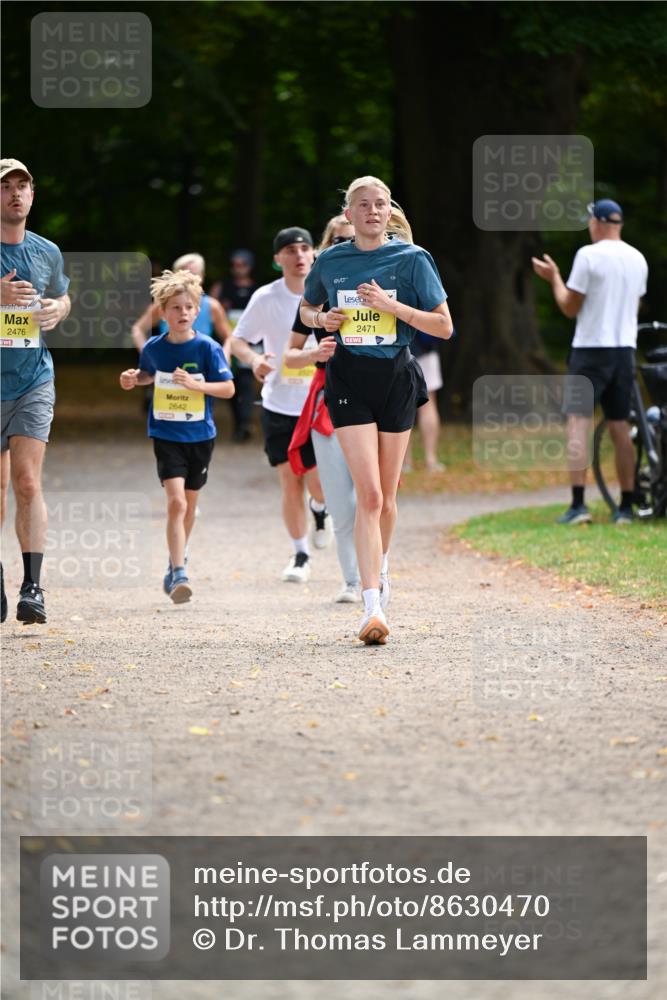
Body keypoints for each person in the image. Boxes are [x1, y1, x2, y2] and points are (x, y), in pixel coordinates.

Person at [301, 176, 453, 644]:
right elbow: (306, 309)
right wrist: (321, 319)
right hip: (348, 379)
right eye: (362, 204)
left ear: (390, 212)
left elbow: (444, 326)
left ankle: (381, 567)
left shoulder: (412, 259)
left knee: (387, 497)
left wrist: (392, 305)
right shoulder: (331, 260)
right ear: (348, 214)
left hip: (396, 379)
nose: (372, 211)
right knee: (367, 495)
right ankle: (372, 608)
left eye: (380, 204)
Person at [119, 269, 234, 602]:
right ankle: (180, 568)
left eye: (188, 307)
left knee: (189, 505)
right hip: (166, 433)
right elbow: (146, 374)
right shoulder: (155, 347)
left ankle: (175, 561)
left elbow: (228, 388)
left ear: (197, 311)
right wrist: (132, 378)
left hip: (200, 436)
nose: (182, 313)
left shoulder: (208, 348)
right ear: (163, 313)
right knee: (176, 502)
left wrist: (197, 385)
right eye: (175, 308)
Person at [532, 198, 648, 525]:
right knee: (620, 425)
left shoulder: (588, 256)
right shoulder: (638, 259)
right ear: (620, 224)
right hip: (624, 349)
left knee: (578, 424)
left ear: (597, 223)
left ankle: (579, 504)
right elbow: (636, 304)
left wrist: (554, 278)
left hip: (590, 350)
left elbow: (570, 306)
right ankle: (625, 506)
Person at [231, 227, 333, 583]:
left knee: (319, 482)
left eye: (305, 248)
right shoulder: (266, 297)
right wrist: (254, 360)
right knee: (290, 481)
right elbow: (237, 340)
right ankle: (300, 554)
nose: (300, 255)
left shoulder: (329, 292)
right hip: (279, 403)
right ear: (278, 259)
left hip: (321, 401)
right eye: (290, 249)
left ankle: (321, 510)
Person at [1, 158, 71, 625]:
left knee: (27, 482)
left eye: (23, 186)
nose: (15, 194)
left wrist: (56, 310)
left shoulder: (46, 251)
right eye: (6, 187)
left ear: (33, 195)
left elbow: (63, 296)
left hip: (32, 379)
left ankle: (32, 588)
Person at [285, 215, 361, 603]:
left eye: (354, 238)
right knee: (340, 499)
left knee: (374, 498)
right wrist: (314, 351)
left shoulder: (384, 281)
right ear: (325, 249)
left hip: (377, 394)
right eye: (339, 241)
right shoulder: (315, 295)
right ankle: (351, 580)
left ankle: (376, 577)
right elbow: (290, 354)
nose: (348, 245)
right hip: (327, 399)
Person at [131, 253, 232, 358]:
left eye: (194, 274)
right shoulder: (162, 304)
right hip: (167, 367)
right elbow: (138, 329)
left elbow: (229, 338)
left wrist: (222, 360)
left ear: (202, 276)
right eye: (185, 274)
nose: (189, 279)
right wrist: (148, 357)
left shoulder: (212, 306)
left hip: (202, 370)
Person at [214, 249, 259, 443]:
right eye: (235, 265)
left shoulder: (258, 289)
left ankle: (245, 423)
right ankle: (238, 423)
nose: (239, 269)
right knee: (233, 383)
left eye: (243, 264)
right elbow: (213, 314)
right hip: (229, 343)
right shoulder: (221, 287)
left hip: (251, 342)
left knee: (247, 384)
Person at [405, 331, 445, 473]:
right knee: (428, 403)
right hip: (425, 347)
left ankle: (405, 462)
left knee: (400, 404)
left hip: (396, 348)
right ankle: (431, 459)